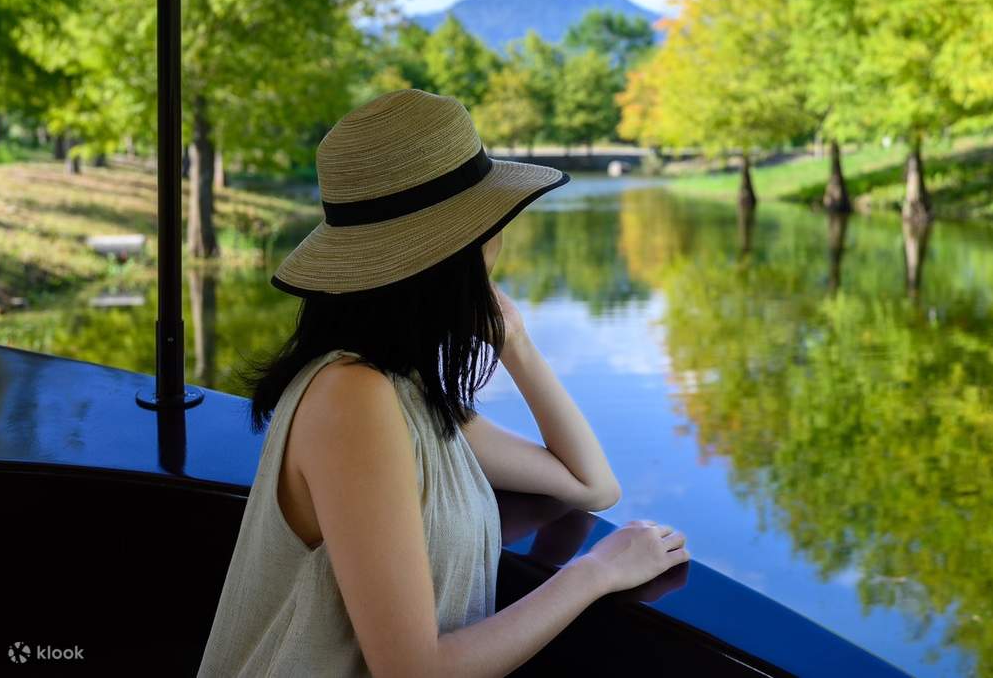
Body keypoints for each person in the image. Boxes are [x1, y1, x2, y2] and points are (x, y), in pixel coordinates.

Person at [197, 89, 690, 678]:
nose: (499, 244)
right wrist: (595, 572)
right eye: (493, 225)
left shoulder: (404, 390)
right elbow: (415, 671)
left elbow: (591, 485)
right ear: (457, 251)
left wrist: (517, 345)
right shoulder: (352, 398)